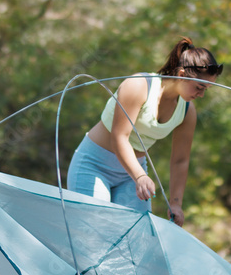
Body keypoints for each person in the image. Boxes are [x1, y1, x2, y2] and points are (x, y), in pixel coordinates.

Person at [67, 38, 222, 226]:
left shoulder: (187, 111)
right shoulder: (139, 86)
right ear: (182, 74)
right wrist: (140, 176)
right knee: (95, 231)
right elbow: (119, 137)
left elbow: (180, 160)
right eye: (199, 87)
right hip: (94, 166)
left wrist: (176, 204)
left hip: (131, 174)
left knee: (134, 237)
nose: (202, 95)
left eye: (207, 89)